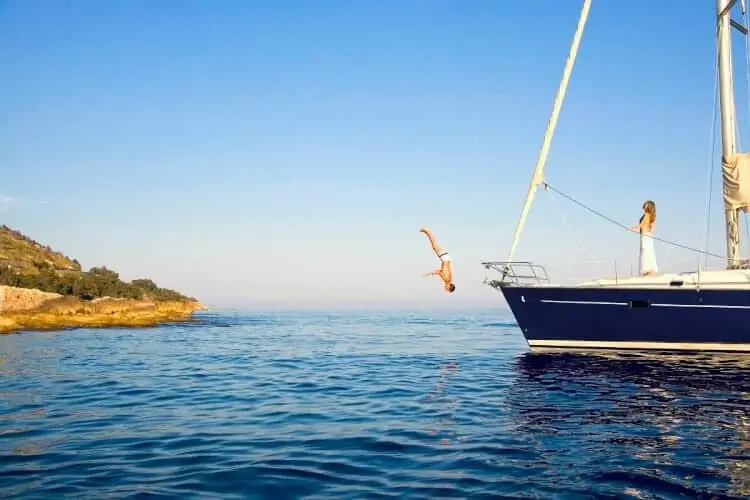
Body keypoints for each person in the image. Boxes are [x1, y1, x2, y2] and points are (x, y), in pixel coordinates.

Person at [419, 227, 456, 293]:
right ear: (449, 286)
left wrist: (432, 273)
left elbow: (441, 271)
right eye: (447, 289)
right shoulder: (447, 279)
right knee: (434, 244)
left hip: (446, 258)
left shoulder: (449, 279)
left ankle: (427, 231)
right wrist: (428, 274)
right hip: (444, 258)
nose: (445, 289)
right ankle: (427, 231)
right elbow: (439, 272)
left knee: (434, 246)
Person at [628, 200, 658, 276]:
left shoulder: (647, 214)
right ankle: (648, 270)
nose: (644, 206)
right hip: (646, 235)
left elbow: (641, 225)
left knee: (646, 251)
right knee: (646, 251)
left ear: (649, 207)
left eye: (646, 205)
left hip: (645, 235)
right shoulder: (650, 215)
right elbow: (651, 226)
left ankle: (650, 269)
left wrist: (631, 228)